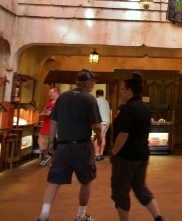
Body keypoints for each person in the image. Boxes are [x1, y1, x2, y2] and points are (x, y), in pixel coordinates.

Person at [36, 69, 103, 221]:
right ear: (87, 83)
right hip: (82, 147)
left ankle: (44, 214)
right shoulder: (89, 99)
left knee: (54, 181)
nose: (93, 84)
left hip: (63, 146)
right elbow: (96, 126)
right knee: (86, 180)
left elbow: (54, 121)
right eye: (93, 82)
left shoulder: (62, 98)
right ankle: (81, 215)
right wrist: (99, 137)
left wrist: (53, 142)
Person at [110, 72, 165, 221]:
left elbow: (123, 134)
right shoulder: (144, 107)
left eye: (122, 89)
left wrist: (114, 152)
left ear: (129, 90)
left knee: (121, 191)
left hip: (126, 156)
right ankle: (158, 217)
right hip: (142, 154)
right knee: (140, 187)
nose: (120, 91)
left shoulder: (128, 108)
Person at [38, 86, 59, 166]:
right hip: (45, 126)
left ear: (56, 93)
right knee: (42, 143)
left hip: (55, 127)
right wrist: (43, 113)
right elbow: (44, 110)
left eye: (51, 92)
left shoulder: (59, 102)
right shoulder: (49, 102)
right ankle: (46, 155)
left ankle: (55, 159)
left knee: (54, 144)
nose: (49, 94)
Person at [93, 88, 110, 161]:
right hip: (107, 121)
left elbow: (94, 112)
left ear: (96, 94)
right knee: (103, 137)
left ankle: (96, 154)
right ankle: (101, 153)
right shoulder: (106, 101)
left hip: (100, 121)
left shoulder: (96, 100)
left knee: (96, 137)